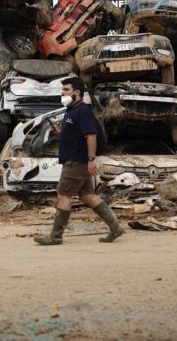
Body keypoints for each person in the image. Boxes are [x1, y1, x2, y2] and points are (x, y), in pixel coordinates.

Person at [34, 76, 124, 245]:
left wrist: (91, 159)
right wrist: (61, 132)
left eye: (66, 90)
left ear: (77, 92)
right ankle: (115, 227)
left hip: (76, 161)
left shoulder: (82, 110)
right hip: (75, 159)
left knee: (63, 195)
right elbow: (77, 135)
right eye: (62, 90)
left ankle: (55, 236)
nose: (62, 93)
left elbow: (91, 135)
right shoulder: (71, 110)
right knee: (87, 195)